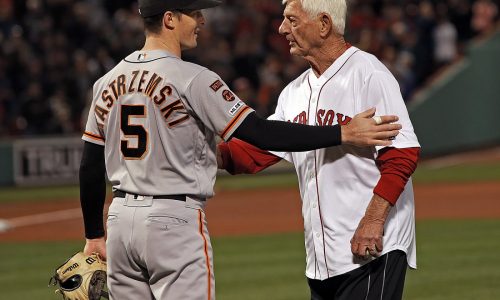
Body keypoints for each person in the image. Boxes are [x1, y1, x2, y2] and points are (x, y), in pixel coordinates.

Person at [78, 0, 402, 299]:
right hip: (172, 221)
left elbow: (90, 165)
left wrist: (94, 234)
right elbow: (259, 133)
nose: (202, 20)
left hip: (120, 220)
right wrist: (342, 132)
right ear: (169, 19)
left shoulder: (106, 81)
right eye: (195, 12)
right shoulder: (193, 78)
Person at [217, 0, 420, 299]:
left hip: (374, 246)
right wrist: (203, 153)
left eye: (292, 20)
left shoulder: (367, 73)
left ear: (324, 24)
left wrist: (374, 220)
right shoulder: (294, 92)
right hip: (323, 258)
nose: (282, 28)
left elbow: (402, 154)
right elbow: (256, 153)